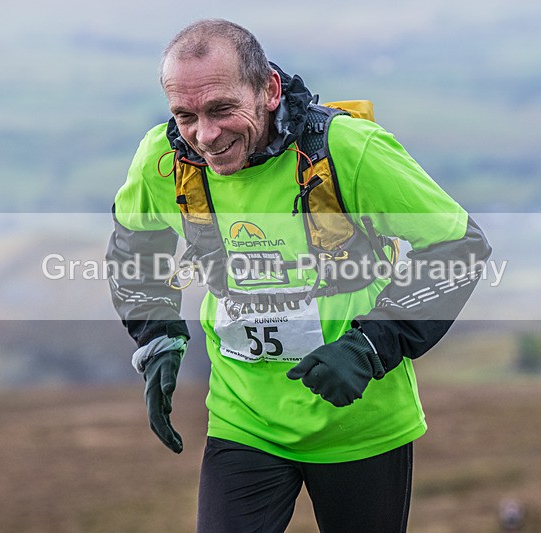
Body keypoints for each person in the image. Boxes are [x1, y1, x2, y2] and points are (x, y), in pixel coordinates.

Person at [107, 18, 491, 532]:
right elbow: (136, 244)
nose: (204, 135)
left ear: (268, 89)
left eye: (221, 109)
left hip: (361, 422)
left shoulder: (349, 151)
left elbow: (458, 246)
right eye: (185, 115)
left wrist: (370, 347)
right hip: (244, 421)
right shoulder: (162, 159)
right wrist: (156, 338)